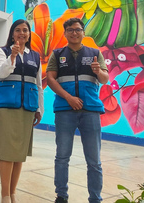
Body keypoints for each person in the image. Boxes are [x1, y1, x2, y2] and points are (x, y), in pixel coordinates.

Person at [45, 17, 109, 203]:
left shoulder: (95, 53)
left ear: (83, 32)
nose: (74, 32)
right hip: (65, 110)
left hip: (91, 111)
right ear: (65, 33)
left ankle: (95, 198)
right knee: (62, 157)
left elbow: (105, 79)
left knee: (94, 161)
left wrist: (98, 71)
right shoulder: (57, 54)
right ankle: (61, 195)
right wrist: (69, 98)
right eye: (70, 30)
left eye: (78, 29)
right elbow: (50, 79)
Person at [0, 19, 44, 203]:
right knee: (7, 152)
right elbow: (2, 73)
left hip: (27, 108)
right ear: (12, 34)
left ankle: (13, 193)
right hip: (6, 107)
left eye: (25, 30)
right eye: (18, 30)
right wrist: (12, 57)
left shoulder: (35, 56)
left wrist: (39, 109)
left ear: (29, 34)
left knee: (19, 153)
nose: (22, 33)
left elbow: (38, 84)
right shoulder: (2, 51)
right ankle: (5, 195)